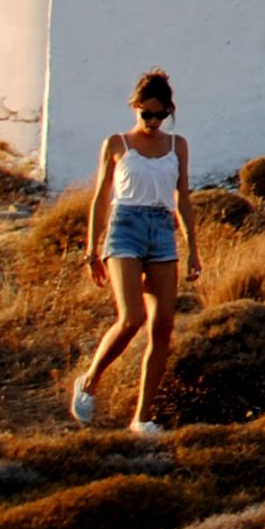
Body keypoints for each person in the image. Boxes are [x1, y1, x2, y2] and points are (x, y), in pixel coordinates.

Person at [70, 68, 198, 433]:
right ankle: (90, 381)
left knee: (163, 325)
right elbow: (100, 199)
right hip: (124, 227)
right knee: (132, 317)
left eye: (161, 115)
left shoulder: (178, 146)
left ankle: (141, 420)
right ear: (135, 107)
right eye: (147, 114)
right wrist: (91, 251)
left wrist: (193, 249)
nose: (154, 121)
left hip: (162, 230)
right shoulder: (116, 144)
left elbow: (183, 198)